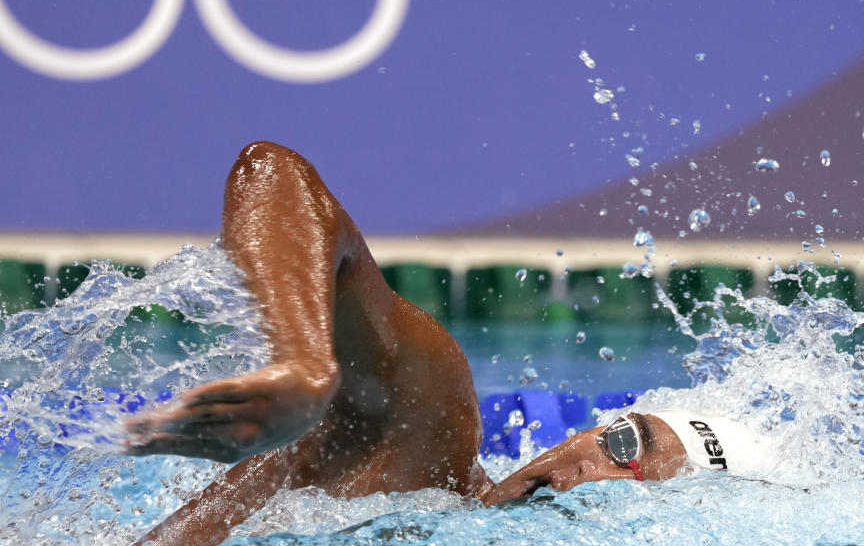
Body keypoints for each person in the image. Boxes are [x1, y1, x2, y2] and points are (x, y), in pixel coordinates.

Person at [127, 141, 774, 545]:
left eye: (634, 483)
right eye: (624, 439)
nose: (593, 472)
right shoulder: (428, 443)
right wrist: (303, 362)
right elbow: (275, 174)